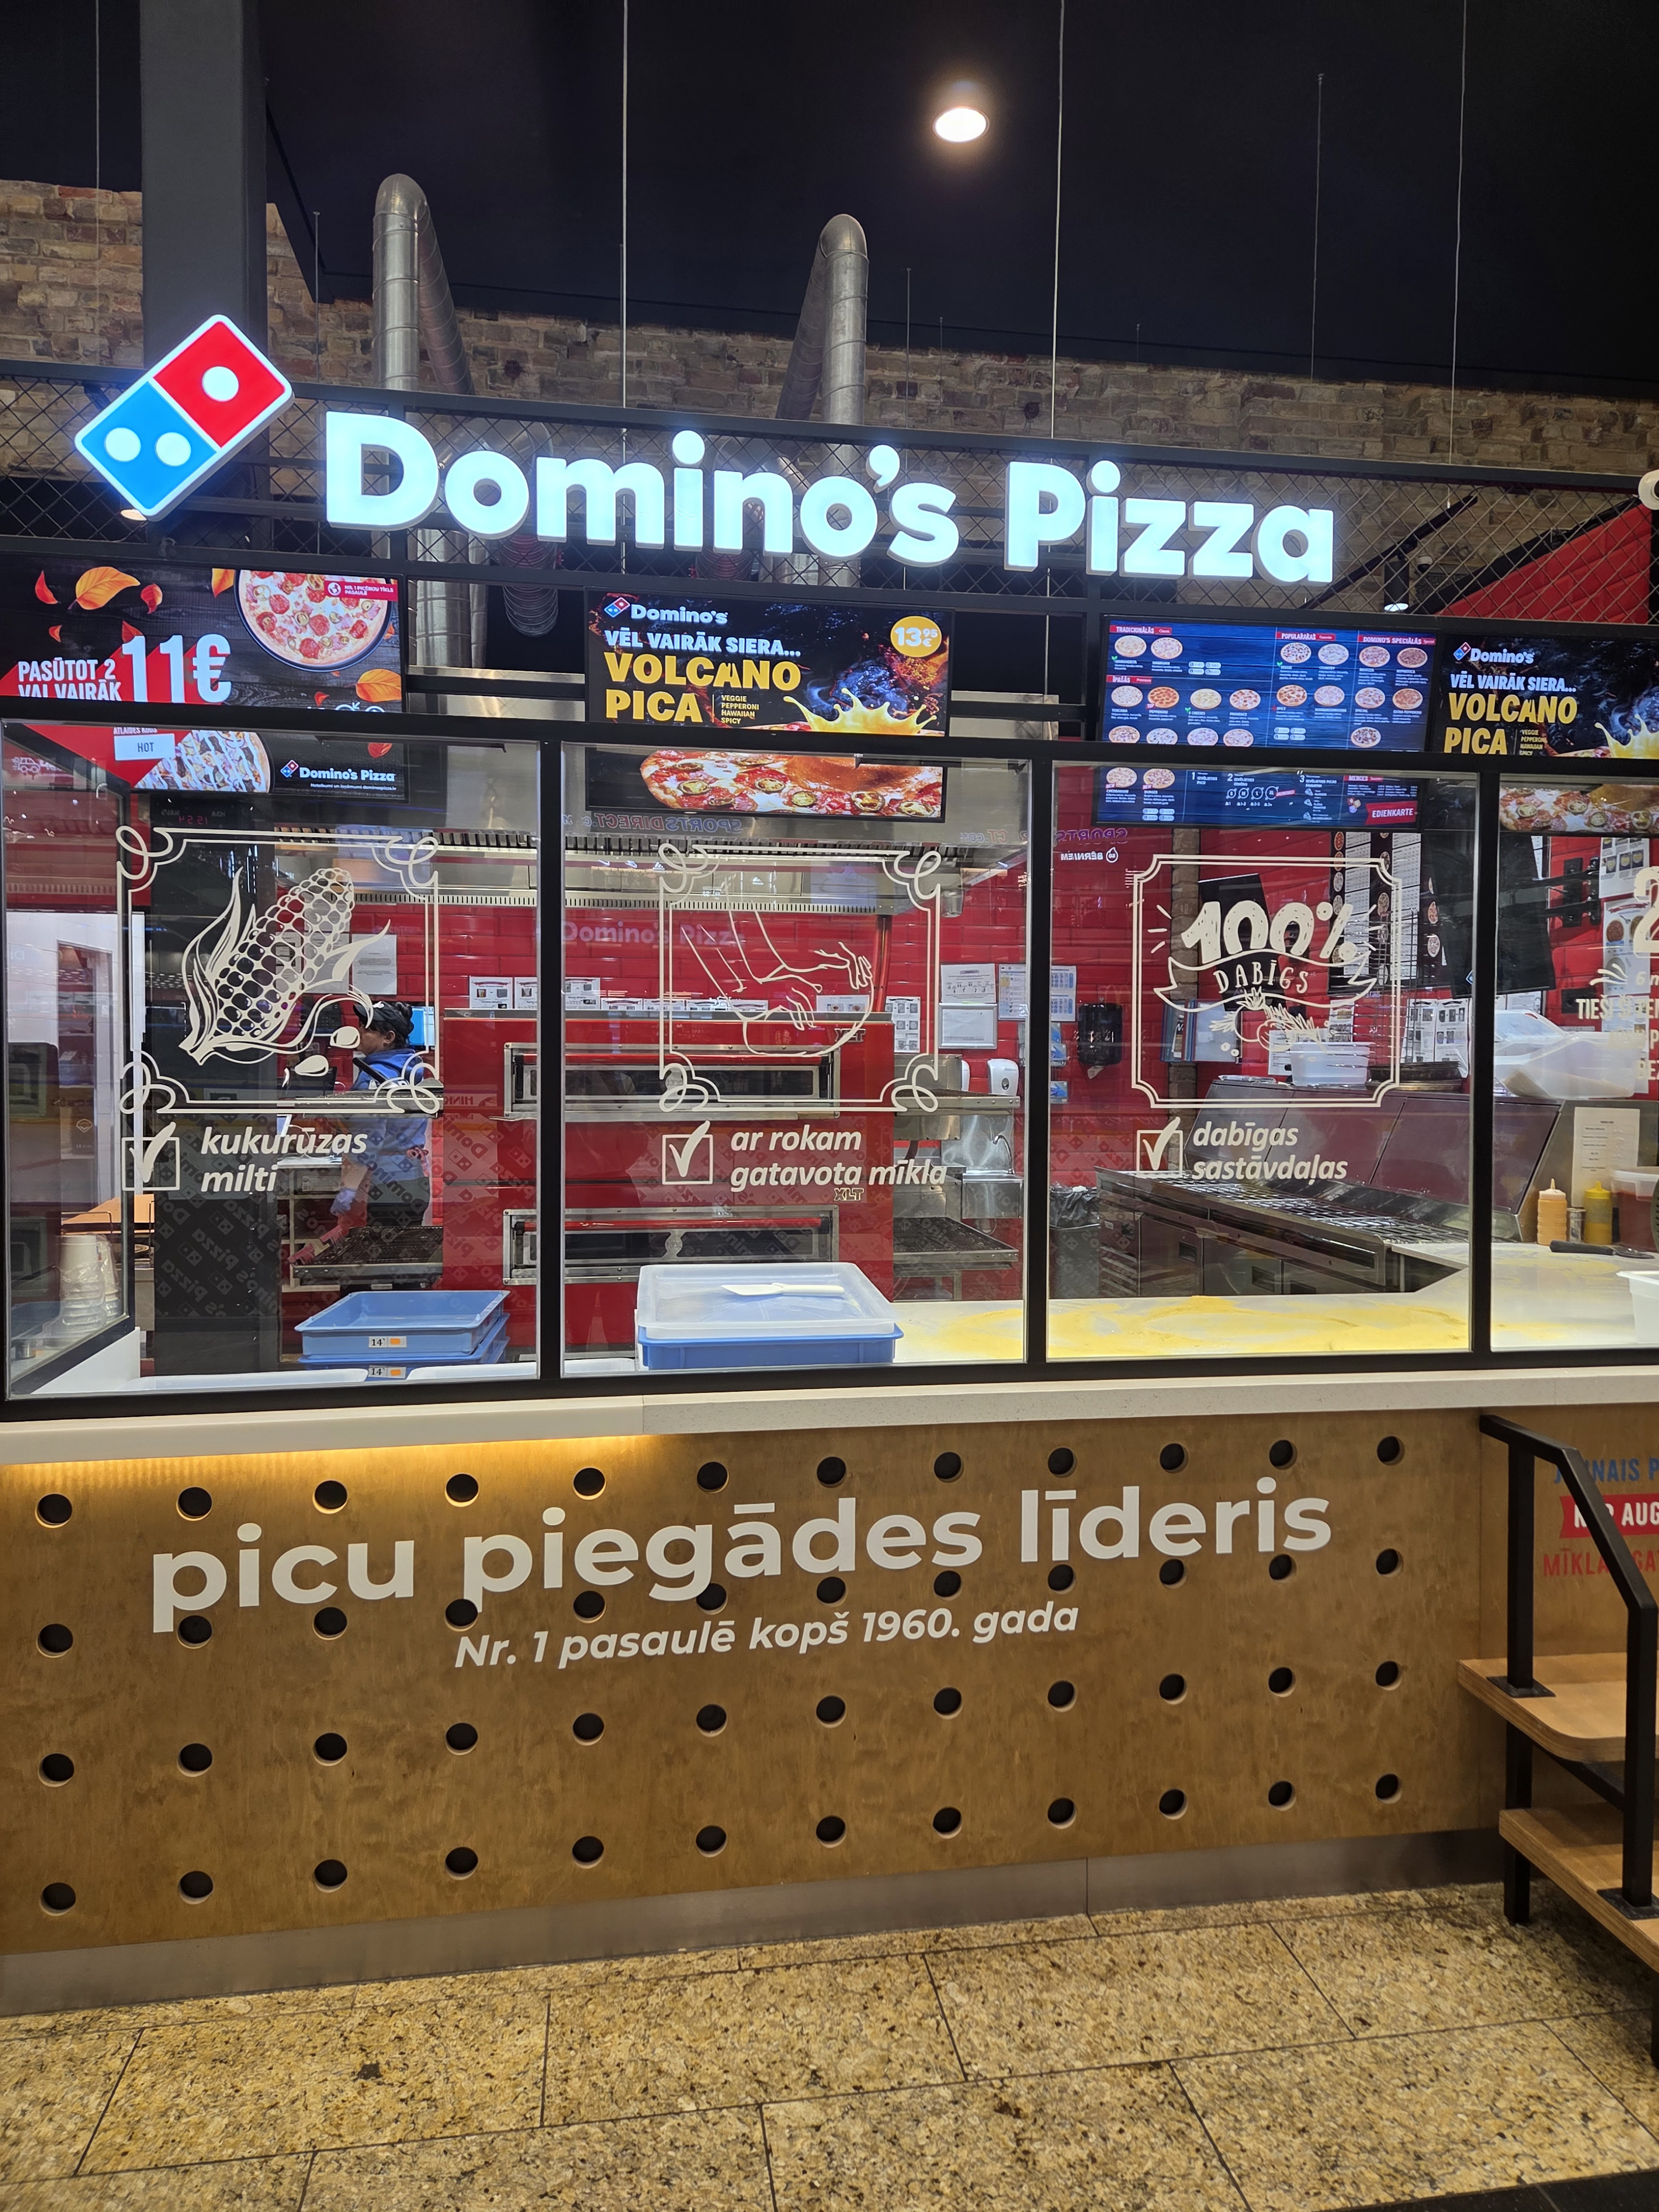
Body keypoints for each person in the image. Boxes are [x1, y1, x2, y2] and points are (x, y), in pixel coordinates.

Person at [330, 1000, 434, 1246]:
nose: (359, 1033)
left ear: (388, 1037)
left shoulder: (374, 1078)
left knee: (375, 1258)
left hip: (384, 1186)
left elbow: (367, 1141)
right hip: (416, 1180)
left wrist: (349, 1189)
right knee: (405, 1254)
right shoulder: (411, 1070)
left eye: (366, 1029)